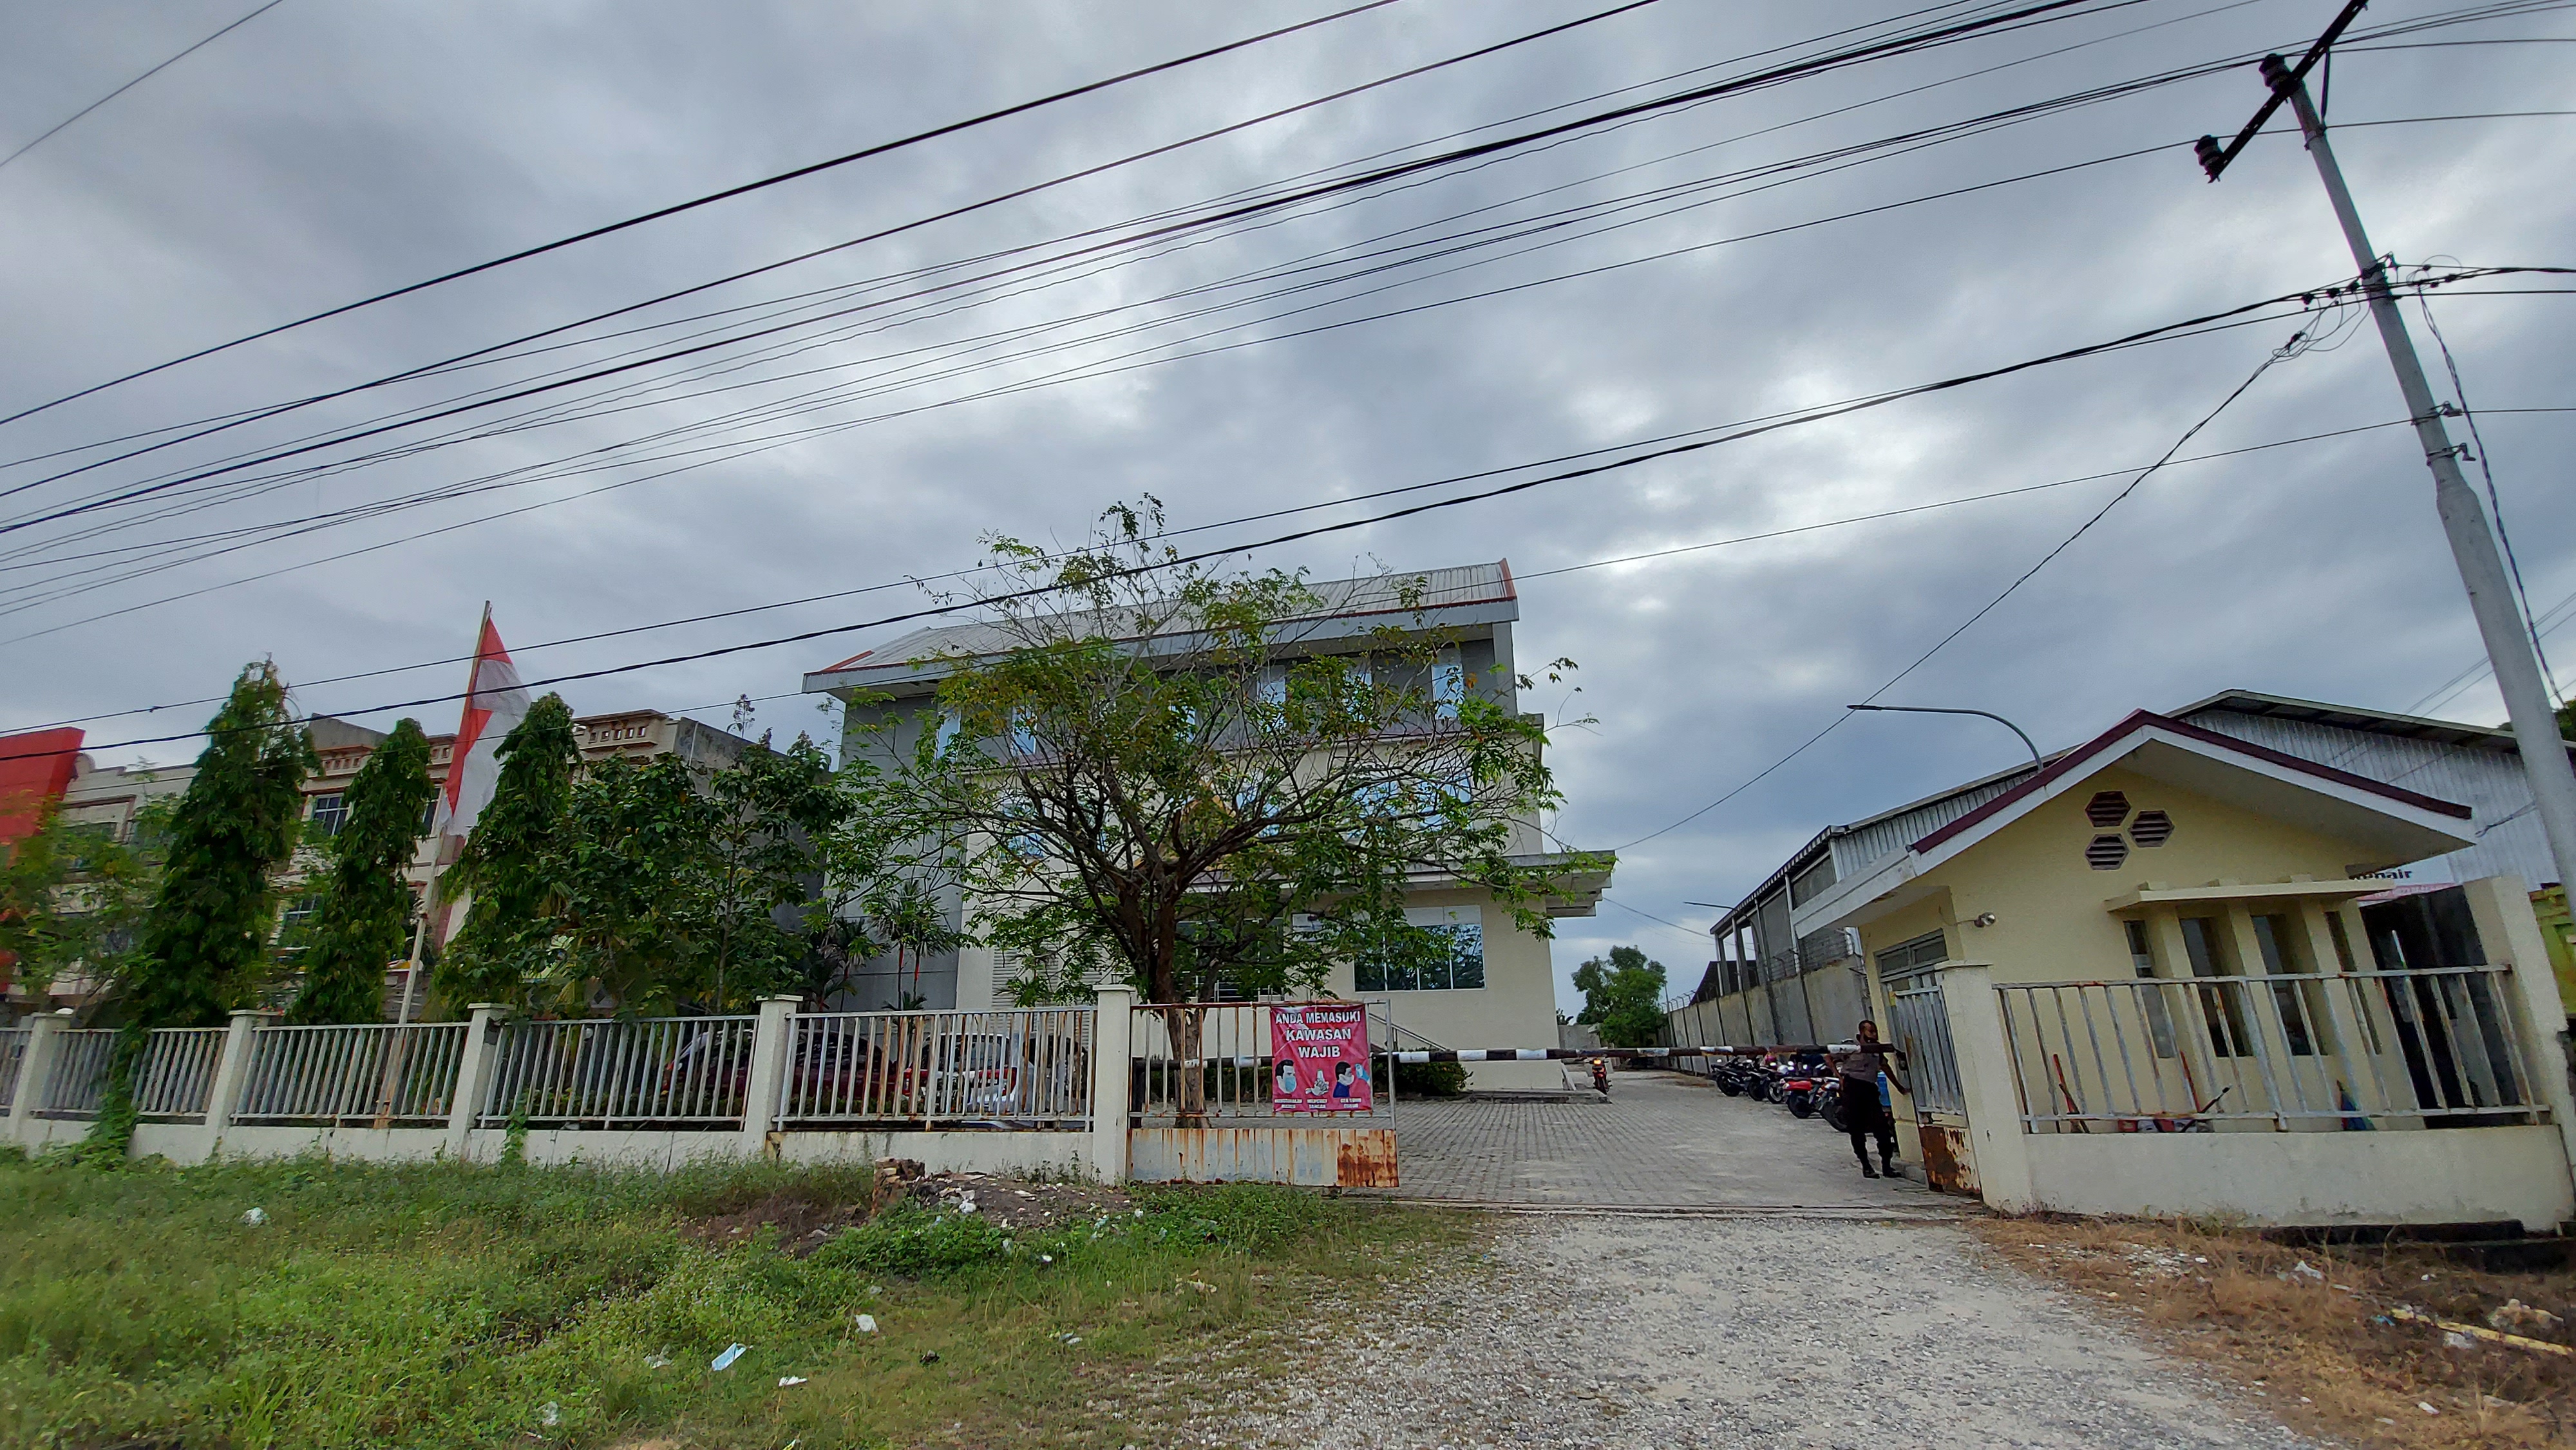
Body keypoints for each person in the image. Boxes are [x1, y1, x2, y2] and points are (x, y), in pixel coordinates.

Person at [1832, 1019, 1909, 1179]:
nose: (1874, 1035)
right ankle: (1866, 1166)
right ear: (1862, 1032)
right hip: (1852, 1089)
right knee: (1857, 1130)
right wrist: (1839, 1076)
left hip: (1869, 1089)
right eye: (1870, 1031)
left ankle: (1887, 1167)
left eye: (1875, 1031)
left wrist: (1899, 1087)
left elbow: (1885, 1067)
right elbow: (1829, 1057)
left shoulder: (1876, 1048)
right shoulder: (1851, 1046)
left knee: (1882, 1129)